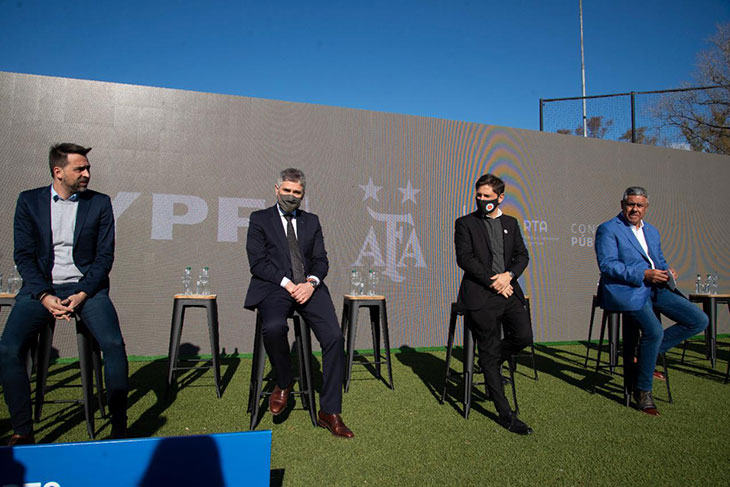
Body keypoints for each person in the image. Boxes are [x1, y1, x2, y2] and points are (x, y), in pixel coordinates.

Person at [0, 143, 128, 445]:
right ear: (58, 172)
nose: (87, 173)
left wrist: (82, 294)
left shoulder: (99, 203)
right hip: (40, 290)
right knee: (8, 349)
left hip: (87, 290)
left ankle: (119, 428)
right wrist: (45, 296)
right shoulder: (29, 202)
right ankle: (22, 430)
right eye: (79, 168)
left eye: (88, 167)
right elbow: (24, 256)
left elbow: (103, 258)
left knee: (113, 344)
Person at [244, 168, 353, 438]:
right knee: (273, 328)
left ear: (303, 194)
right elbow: (257, 263)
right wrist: (288, 283)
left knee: (335, 338)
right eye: (287, 191)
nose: (292, 196)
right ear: (277, 189)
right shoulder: (259, 219)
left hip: (308, 287)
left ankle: (330, 411)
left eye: (297, 192)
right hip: (275, 286)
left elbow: (321, 259)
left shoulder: (311, 222)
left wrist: (311, 283)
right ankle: (284, 381)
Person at [595, 186, 708, 415]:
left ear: (646, 208)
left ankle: (645, 353)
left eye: (639, 205)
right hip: (628, 291)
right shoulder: (608, 229)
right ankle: (643, 391)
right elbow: (607, 265)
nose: (634, 209)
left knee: (699, 320)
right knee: (654, 331)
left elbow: (657, 260)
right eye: (630, 204)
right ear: (622, 205)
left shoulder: (652, 232)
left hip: (657, 288)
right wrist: (643, 274)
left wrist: (667, 271)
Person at [454, 173, 534, 435]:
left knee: (523, 336)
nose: (481, 200)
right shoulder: (465, 223)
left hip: (509, 291)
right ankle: (505, 414)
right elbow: (465, 259)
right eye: (478, 195)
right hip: (480, 295)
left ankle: (490, 361)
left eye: (487, 196)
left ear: (500, 198)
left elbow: (522, 256)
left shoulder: (511, 222)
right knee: (488, 350)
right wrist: (494, 281)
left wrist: (508, 276)